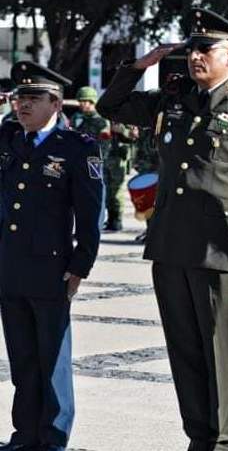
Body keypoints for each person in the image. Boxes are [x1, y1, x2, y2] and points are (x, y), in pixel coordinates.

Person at [97, 7, 228, 451]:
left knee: (221, 351)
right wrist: (140, 65)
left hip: (221, 248)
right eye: (191, 49)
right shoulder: (173, 99)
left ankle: (224, 442)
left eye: (206, 49)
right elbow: (111, 106)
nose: (195, 56)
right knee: (184, 351)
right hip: (170, 245)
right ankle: (199, 436)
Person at [0, 62, 104, 451]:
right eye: (18, 97)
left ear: (55, 103)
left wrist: (81, 264)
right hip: (10, 266)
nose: (22, 105)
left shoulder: (77, 147)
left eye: (32, 98)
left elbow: (92, 212)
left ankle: (53, 436)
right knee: (23, 359)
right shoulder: (8, 138)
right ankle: (25, 434)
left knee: (52, 358)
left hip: (51, 267)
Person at [102, 121, 136, 231]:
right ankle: (110, 218)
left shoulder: (125, 119)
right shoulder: (104, 120)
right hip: (105, 157)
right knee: (107, 190)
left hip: (118, 158)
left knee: (116, 191)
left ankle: (117, 220)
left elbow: (134, 137)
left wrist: (122, 131)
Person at [71, 86, 112, 157]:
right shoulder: (77, 117)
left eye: (83, 101)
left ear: (91, 101)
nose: (80, 104)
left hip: (93, 159)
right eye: (79, 101)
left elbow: (104, 146)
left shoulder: (102, 120)